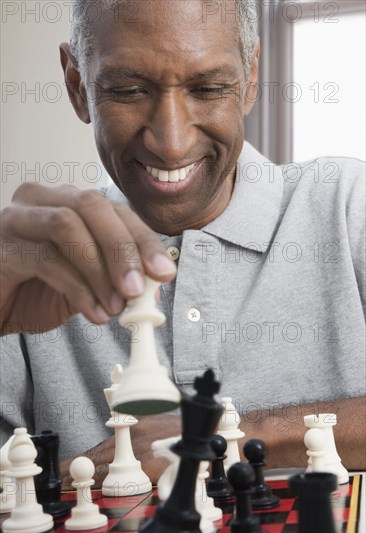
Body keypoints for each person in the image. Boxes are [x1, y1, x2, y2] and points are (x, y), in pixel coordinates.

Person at [0, 0, 365, 488]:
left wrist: (212, 441)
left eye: (209, 88)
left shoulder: (347, 207)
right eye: (128, 90)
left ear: (251, 76)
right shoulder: (35, 264)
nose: (170, 143)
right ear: (77, 86)